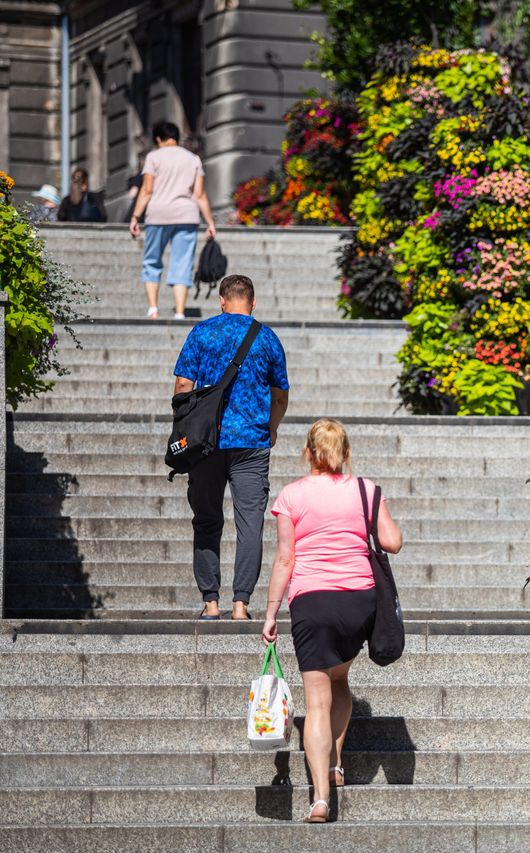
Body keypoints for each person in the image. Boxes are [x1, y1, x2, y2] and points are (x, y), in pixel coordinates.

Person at [261, 419, 403, 824]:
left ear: (308, 453)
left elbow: (286, 558)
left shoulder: (291, 496)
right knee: (340, 680)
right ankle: (336, 763)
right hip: (359, 602)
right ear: (346, 453)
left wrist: (271, 612)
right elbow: (392, 542)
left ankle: (321, 799)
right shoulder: (367, 490)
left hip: (312, 604)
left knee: (316, 702)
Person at [173, 274, 289, 622]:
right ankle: (241, 605)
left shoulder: (202, 333)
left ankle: (211, 603)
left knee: (206, 520)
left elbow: (182, 385)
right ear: (252, 303)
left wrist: (187, 426)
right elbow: (280, 394)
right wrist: (271, 428)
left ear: (221, 301)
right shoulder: (266, 338)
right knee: (250, 523)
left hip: (206, 442)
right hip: (251, 442)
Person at [129, 121, 217, 319]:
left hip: (158, 215)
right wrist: (210, 222)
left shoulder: (153, 157)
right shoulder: (193, 159)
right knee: (183, 263)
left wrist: (135, 216)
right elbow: (200, 194)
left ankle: (153, 309)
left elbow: (147, 189)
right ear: (175, 138)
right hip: (187, 215)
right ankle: (179, 312)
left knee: (152, 261)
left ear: (158, 139)